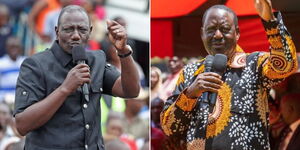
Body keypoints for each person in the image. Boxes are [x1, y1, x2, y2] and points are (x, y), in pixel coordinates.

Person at [160, 0, 298, 149]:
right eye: (211, 29)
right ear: (202, 33)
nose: (218, 35)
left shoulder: (254, 64)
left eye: (225, 29)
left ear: (237, 33)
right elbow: (169, 127)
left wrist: (270, 22)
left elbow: (286, 65)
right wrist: (191, 93)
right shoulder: (189, 73)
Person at [13, 5, 140, 150]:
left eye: (82, 29)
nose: (75, 35)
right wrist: (65, 89)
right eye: (68, 29)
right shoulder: (35, 65)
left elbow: (131, 90)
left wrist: (123, 51)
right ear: (57, 31)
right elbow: (22, 125)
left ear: (90, 32)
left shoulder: (96, 60)